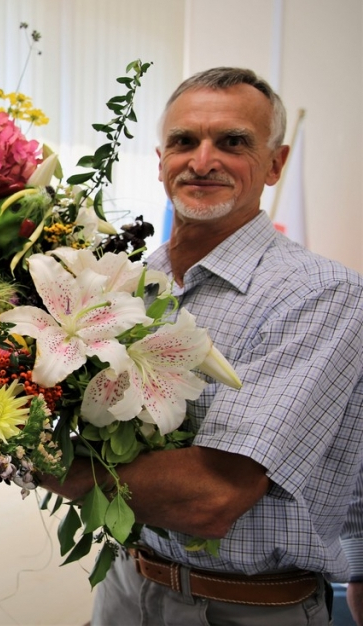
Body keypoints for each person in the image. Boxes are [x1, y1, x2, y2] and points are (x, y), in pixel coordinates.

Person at [38, 67, 363, 625]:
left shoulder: (321, 294)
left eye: (233, 142)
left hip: (244, 609)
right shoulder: (129, 282)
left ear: (275, 164)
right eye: (184, 141)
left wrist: (27, 465)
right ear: (161, 160)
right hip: (125, 586)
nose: (203, 160)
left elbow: (212, 498)